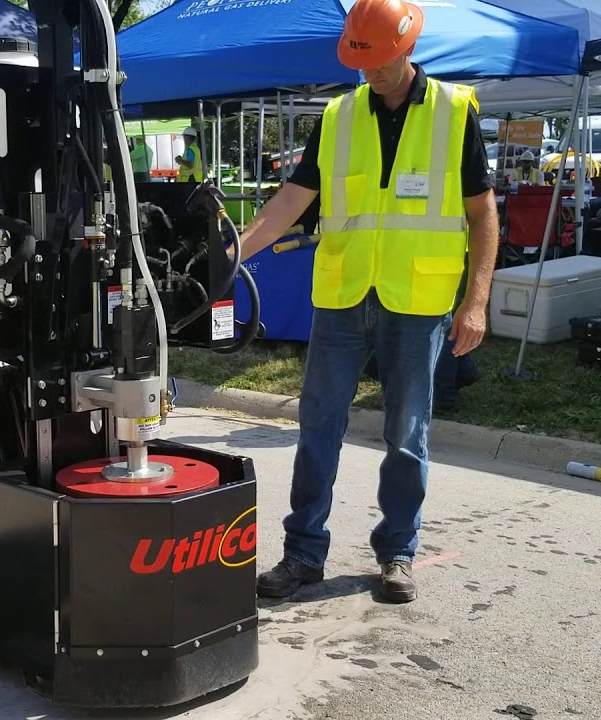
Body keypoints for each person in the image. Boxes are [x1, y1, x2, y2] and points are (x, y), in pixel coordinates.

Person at [235, 0, 496, 603]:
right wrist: (233, 255)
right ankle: (302, 552)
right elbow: (289, 202)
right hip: (344, 295)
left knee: (408, 433)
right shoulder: (338, 115)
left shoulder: (455, 113)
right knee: (318, 428)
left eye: (378, 62)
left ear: (406, 50)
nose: (370, 73)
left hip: (418, 296)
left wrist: (476, 300)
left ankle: (398, 552)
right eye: (361, 62)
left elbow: (482, 214)